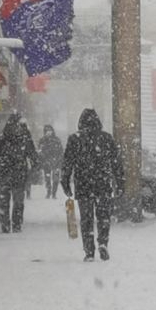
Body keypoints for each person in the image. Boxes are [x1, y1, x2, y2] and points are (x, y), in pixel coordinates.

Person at [61, 109, 124, 262]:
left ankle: (89, 251)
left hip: (83, 185)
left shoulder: (74, 139)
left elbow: (67, 163)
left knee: (86, 219)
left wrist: (65, 181)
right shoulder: (106, 138)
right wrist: (120, 182)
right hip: (103, 183)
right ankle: (103, 242)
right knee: (103, 217)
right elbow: (116, 163)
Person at [0, 114, 38, 233]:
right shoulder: (24, 137)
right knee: (18, 200)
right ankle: (16, 224)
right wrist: (35, 168)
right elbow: (33, 155)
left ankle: (5, 224)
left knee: (4, 200)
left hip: (4, 172)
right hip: (19, 173)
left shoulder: (1, 137)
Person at [37, 126, 64, 199]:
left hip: (56, 161)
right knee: (47, 178)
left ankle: (54, 193)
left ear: (52, 131)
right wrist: (43, 159)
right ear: (44, 132)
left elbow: (61, 151)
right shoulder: (42, 140)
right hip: (46, 162)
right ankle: (49, 192)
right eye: (47, 131)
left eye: (50, 130)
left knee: (55, 178)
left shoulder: (56, 140)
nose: (49, 132)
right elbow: (39, 151)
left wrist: (59, 159)